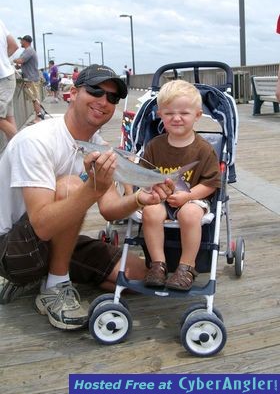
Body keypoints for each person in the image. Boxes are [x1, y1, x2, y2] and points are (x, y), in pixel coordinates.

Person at [0, 63, 173, 331]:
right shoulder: (36, 140)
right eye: (95, 91)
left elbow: (110, 209)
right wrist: (91, 188)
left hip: (52, 237)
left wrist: (140, 199)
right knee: (70, 186)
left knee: (136, 276)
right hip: (13, 247)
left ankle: (48, 274)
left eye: (112, 97)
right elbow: (42, 225)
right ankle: (54, 287)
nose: (104, 101)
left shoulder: (98, 145)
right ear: (73, 93)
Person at [142, 80, 221, 291]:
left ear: (197, 115)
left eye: (184, 113)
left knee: (189, 214)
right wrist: (154, 191)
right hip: (161, 197)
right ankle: (158, 264)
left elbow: (211, 183)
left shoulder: (204, 149)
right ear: (160, 115)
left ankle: (187, 266)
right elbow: (145, 176)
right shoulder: (154, 146)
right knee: (149, 212)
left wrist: (188, 196)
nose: (176, 118)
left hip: (194, 197)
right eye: (169, 113)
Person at [13, 35, 43, 124]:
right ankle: (38, 117)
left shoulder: (29, 50)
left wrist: (10, 60)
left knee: (35, 99)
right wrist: (17, 64)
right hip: (30, 78)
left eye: (21, 41)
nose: (20, 42)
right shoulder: (27, 51)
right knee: (34, 99)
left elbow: (21, 60)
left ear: (25, 41)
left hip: (32, 79)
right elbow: (21, 63)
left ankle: (38, 118)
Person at [0, 19, 19, 140]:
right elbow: (14, 45)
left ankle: (22, 147)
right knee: (8, 117)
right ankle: (15, 153)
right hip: (8, 75)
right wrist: (3, 61)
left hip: (2, 78)